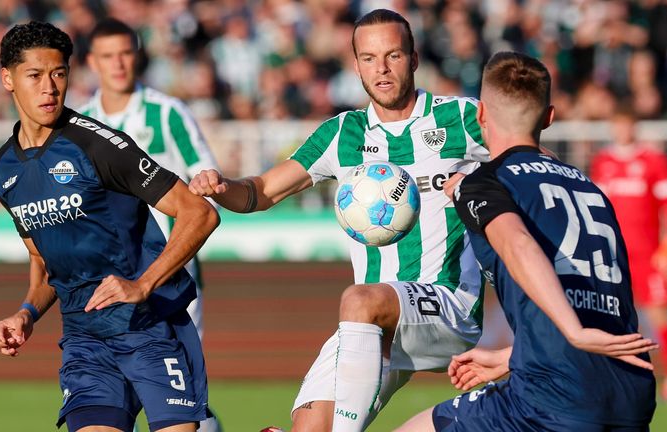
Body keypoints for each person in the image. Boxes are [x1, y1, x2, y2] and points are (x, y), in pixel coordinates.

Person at [190, 9, 489, 432]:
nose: (381, 69)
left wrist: (490, 189)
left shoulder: (461, 118)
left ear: (415, 59)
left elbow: (531, 160)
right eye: (368, 58)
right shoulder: (341, 134)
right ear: (355, 66)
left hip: (447, 305)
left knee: (359, 299)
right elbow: (263, 191)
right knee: (310, 426)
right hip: (372, 324)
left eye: (393, 56)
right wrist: (224, 186)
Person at [396, 51, 657, 432]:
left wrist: (573, 331)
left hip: (553, 396)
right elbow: (595, 296)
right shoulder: (591, 188)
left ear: (481, 114)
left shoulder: (486, 182)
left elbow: (517, 244)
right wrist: (514, 357)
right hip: (629, 392)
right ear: (549, 117)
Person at [0, 21, 219, 431]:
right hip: (85, 339)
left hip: (150, 326)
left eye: (59, 73)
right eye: (35, 75)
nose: (50, 87)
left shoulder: (99, 146)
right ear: (7, 79)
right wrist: (26, 312)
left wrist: (142, 284)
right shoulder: (3, 170)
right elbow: (44, 263)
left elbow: (199, 213)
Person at [78, 17, 220, 342]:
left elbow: (207, 180)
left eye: (125, 53)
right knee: (113, 381)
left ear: (137, 55)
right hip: (107, 270)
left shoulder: (169, 112)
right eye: (108, 55)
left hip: (169, 268)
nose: (118, 63)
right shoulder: (80, 124)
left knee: (182, 379)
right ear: (91, 62)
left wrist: (207, 186)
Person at [590, 106, 667, 401]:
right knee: (612, 316)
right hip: (614, 255)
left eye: (627, 125)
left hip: (649, 255)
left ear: (635, 127)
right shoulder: (603, 162)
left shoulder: (653, 161)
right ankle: (616, 377)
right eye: (618, 125)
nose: (623, 131)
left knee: (659, 315)